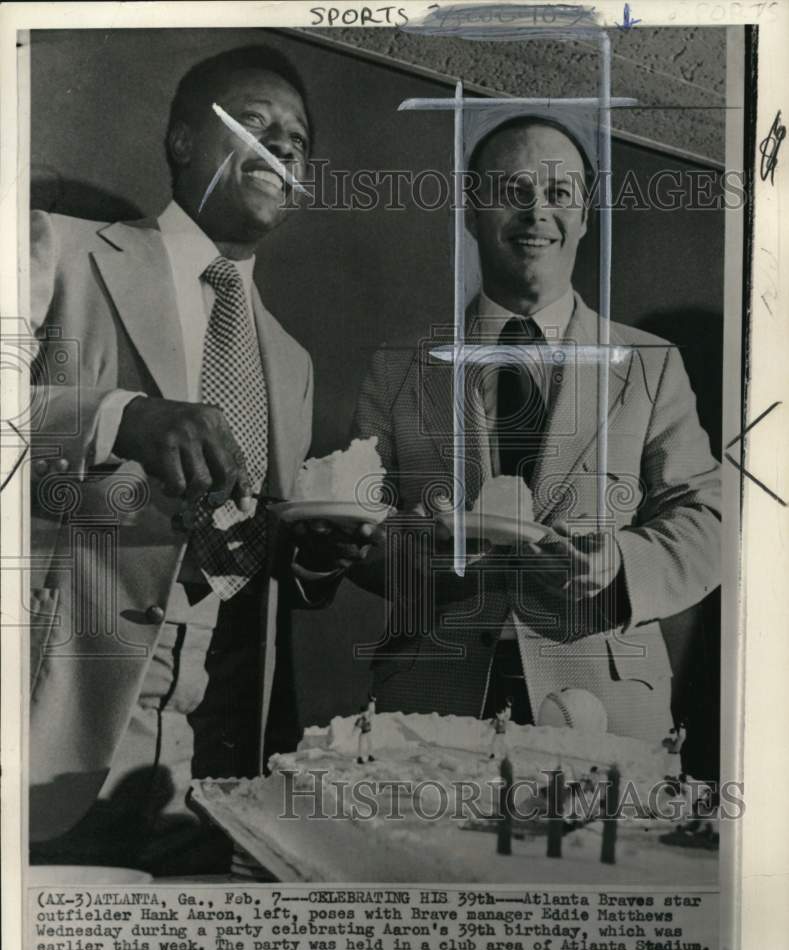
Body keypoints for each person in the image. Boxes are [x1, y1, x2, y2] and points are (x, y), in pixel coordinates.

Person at [28, 45, 367, 874]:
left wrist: (307, 553)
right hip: (49, 722)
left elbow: (247, 547)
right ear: (183, 140)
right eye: (253, 123)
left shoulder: (290, 360)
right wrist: (121, 416)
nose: (281, 147)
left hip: (210, 766)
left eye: (296, 139)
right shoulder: (59, 249)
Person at [350, 113, 721, 742]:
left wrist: (620, 566)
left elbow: (710, 519)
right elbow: (357, 525)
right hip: (432, 697)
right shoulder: (398, 367)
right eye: (511, 192)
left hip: (604, 703)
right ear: (471, 211)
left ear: (584, 216)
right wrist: (418, 557)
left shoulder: (652, 365)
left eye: (558, 194)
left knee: (601, 846)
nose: (536, 213)